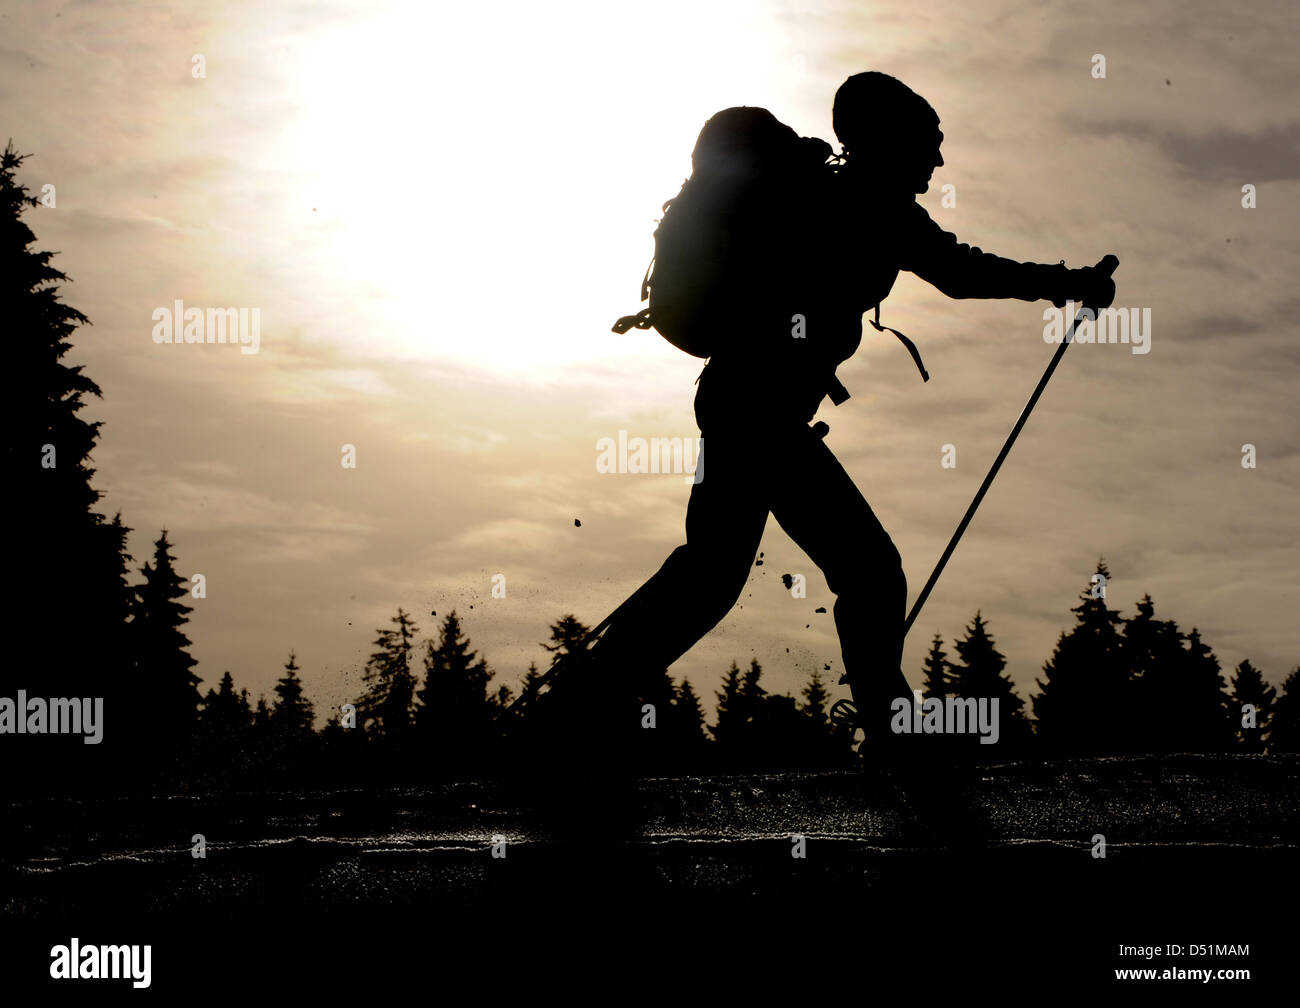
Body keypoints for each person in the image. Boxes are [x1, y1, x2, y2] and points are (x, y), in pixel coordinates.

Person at [574, 72, 1115, 757]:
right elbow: (962, 270)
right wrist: (1066, 285)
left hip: (739, 402)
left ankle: (587, 704)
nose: (939, 161)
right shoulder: (866, 205)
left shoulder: (839, 197)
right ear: (892, 139)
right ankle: (894, 733)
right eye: (931, 143)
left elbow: (957, 267)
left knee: (713, 575)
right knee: (867, 570)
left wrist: (1062, 284)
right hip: (761, 413)